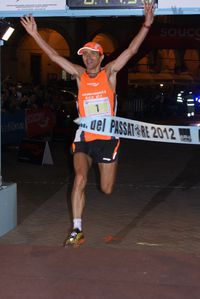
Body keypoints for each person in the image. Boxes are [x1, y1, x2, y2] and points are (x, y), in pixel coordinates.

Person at [20, 1, 155, 247]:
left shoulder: (110, 73)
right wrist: (34, 33)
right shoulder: (79, 75)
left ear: (101, 57)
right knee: (79, 178)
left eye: (93, 54)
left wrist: (146, 24)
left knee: (106, 189)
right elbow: (52, 56)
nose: (88, 58)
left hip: (107, 140)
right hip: (84, 137)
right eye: (85, 55)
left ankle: (110, 163)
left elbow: (132, 50)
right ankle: (77, 229)